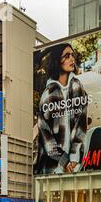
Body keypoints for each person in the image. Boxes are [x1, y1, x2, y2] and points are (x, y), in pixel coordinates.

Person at [35, 43, 88, 175]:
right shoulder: (47, 95)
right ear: (57, 61)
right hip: (51, 167)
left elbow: (81, 125)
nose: (72, 59)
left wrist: (74, 157)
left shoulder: (78, 87)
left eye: (72, 55)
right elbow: (45, 135)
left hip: (76, 166)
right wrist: (64, 161)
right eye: (67, 56)